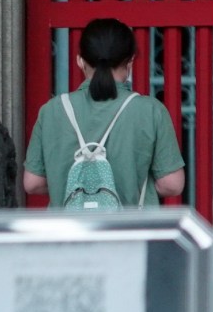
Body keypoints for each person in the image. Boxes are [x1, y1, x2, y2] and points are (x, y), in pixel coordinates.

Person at [23, 18, 185, 206]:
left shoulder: (51, 110)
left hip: (68, 225)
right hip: (131, 225)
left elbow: (33, 183)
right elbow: (172, 185)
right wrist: (133, 184)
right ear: (130, 61)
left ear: (80, 60)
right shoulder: (151, 110)